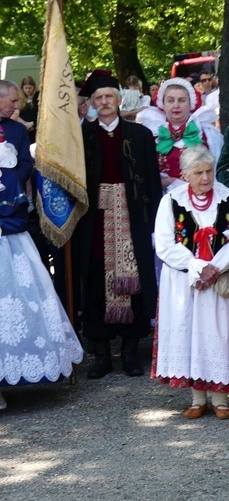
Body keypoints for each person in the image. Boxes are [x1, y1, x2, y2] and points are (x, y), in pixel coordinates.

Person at [0, 80, 84, 409]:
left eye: (18, 102)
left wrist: (7, 177)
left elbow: (24, 164)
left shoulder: (18, 132)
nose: (15, 107)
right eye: (10, 101)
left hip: (12, 228)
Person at [75, 70, 163, 379]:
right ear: (93, 104)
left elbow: (152, 182)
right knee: (96, 278)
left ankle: (129, 351)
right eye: (98, 98)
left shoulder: (139, 135)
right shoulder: (82, 137)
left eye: (109, 96)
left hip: (132, 216)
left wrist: (154, 224)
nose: (104, 102)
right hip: (94, 220)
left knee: (133, 278)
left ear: (119, 99)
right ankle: (101, 354)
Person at [152, 145, 229, 420]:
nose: (206, 178)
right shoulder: (171, 201)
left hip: (219, 280)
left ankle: (220, 398)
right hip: (184, 281)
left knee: (218, 334)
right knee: (189, 333)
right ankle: (197, 398)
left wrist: (214, 268)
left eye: (209, 171)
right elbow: (164, 243)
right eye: (198, 173)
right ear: (184, 175)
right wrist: (197, 267)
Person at [137, 77, 223, 193]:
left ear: (191, 103)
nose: (176, 105)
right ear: (163, 104)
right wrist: (168, 182)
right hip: (164, 200)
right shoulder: (151, 135)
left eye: (181, 100)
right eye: (171, 100)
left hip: (203, 197)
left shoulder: (208, 134)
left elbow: (219, 171)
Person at [14, 76, 38, 143]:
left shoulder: (37, 98)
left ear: (34, 87)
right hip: (23, 129)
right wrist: (25, 124)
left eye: (30, 88)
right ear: (22, 88)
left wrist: (32, 124)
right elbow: (16, 114)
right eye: (26, 88)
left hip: (34, 130)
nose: (28, 90)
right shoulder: (19, 99)